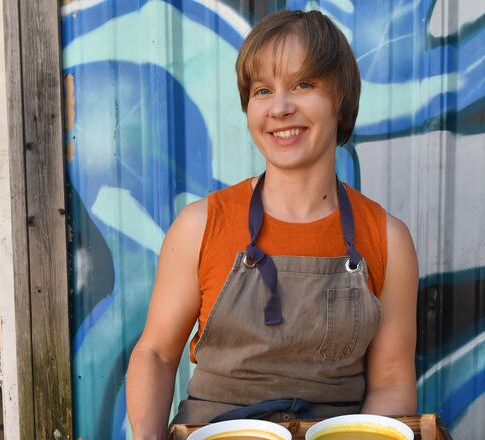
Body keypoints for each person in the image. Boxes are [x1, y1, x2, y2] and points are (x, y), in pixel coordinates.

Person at [126, 10, 419, 439]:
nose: (280, 108)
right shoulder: (200, 225)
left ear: (340, 99)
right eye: (263, 90)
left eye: (303, 84)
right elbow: (154, 353)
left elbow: (392, 382)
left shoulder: (388, 238)